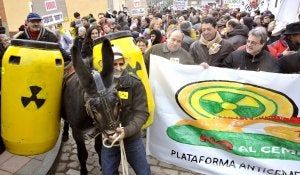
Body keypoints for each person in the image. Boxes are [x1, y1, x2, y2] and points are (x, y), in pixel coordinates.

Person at [101, 46, 151, 175]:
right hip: (109, 137)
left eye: (121, 63)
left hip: (132, 138)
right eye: (114, 64)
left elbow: (142, 113)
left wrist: (126, 131)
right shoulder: (100, 86)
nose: (118, 67)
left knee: (144, 172)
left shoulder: (135, 83)